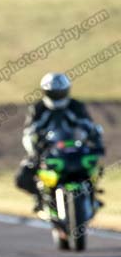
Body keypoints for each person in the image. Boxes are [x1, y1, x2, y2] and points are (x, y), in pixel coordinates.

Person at [15, 72, 105, 211]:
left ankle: (92, 196)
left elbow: (89, 126)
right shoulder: (38, 108)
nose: (57, 96)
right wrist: (33, 151)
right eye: (53, 93)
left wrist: (96, 142)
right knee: (22, 178)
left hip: (75, 149)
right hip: (49, 151)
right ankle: (41, 199)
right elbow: (29, 132)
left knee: (94, 168)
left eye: (60, 92)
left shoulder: (75, 106)